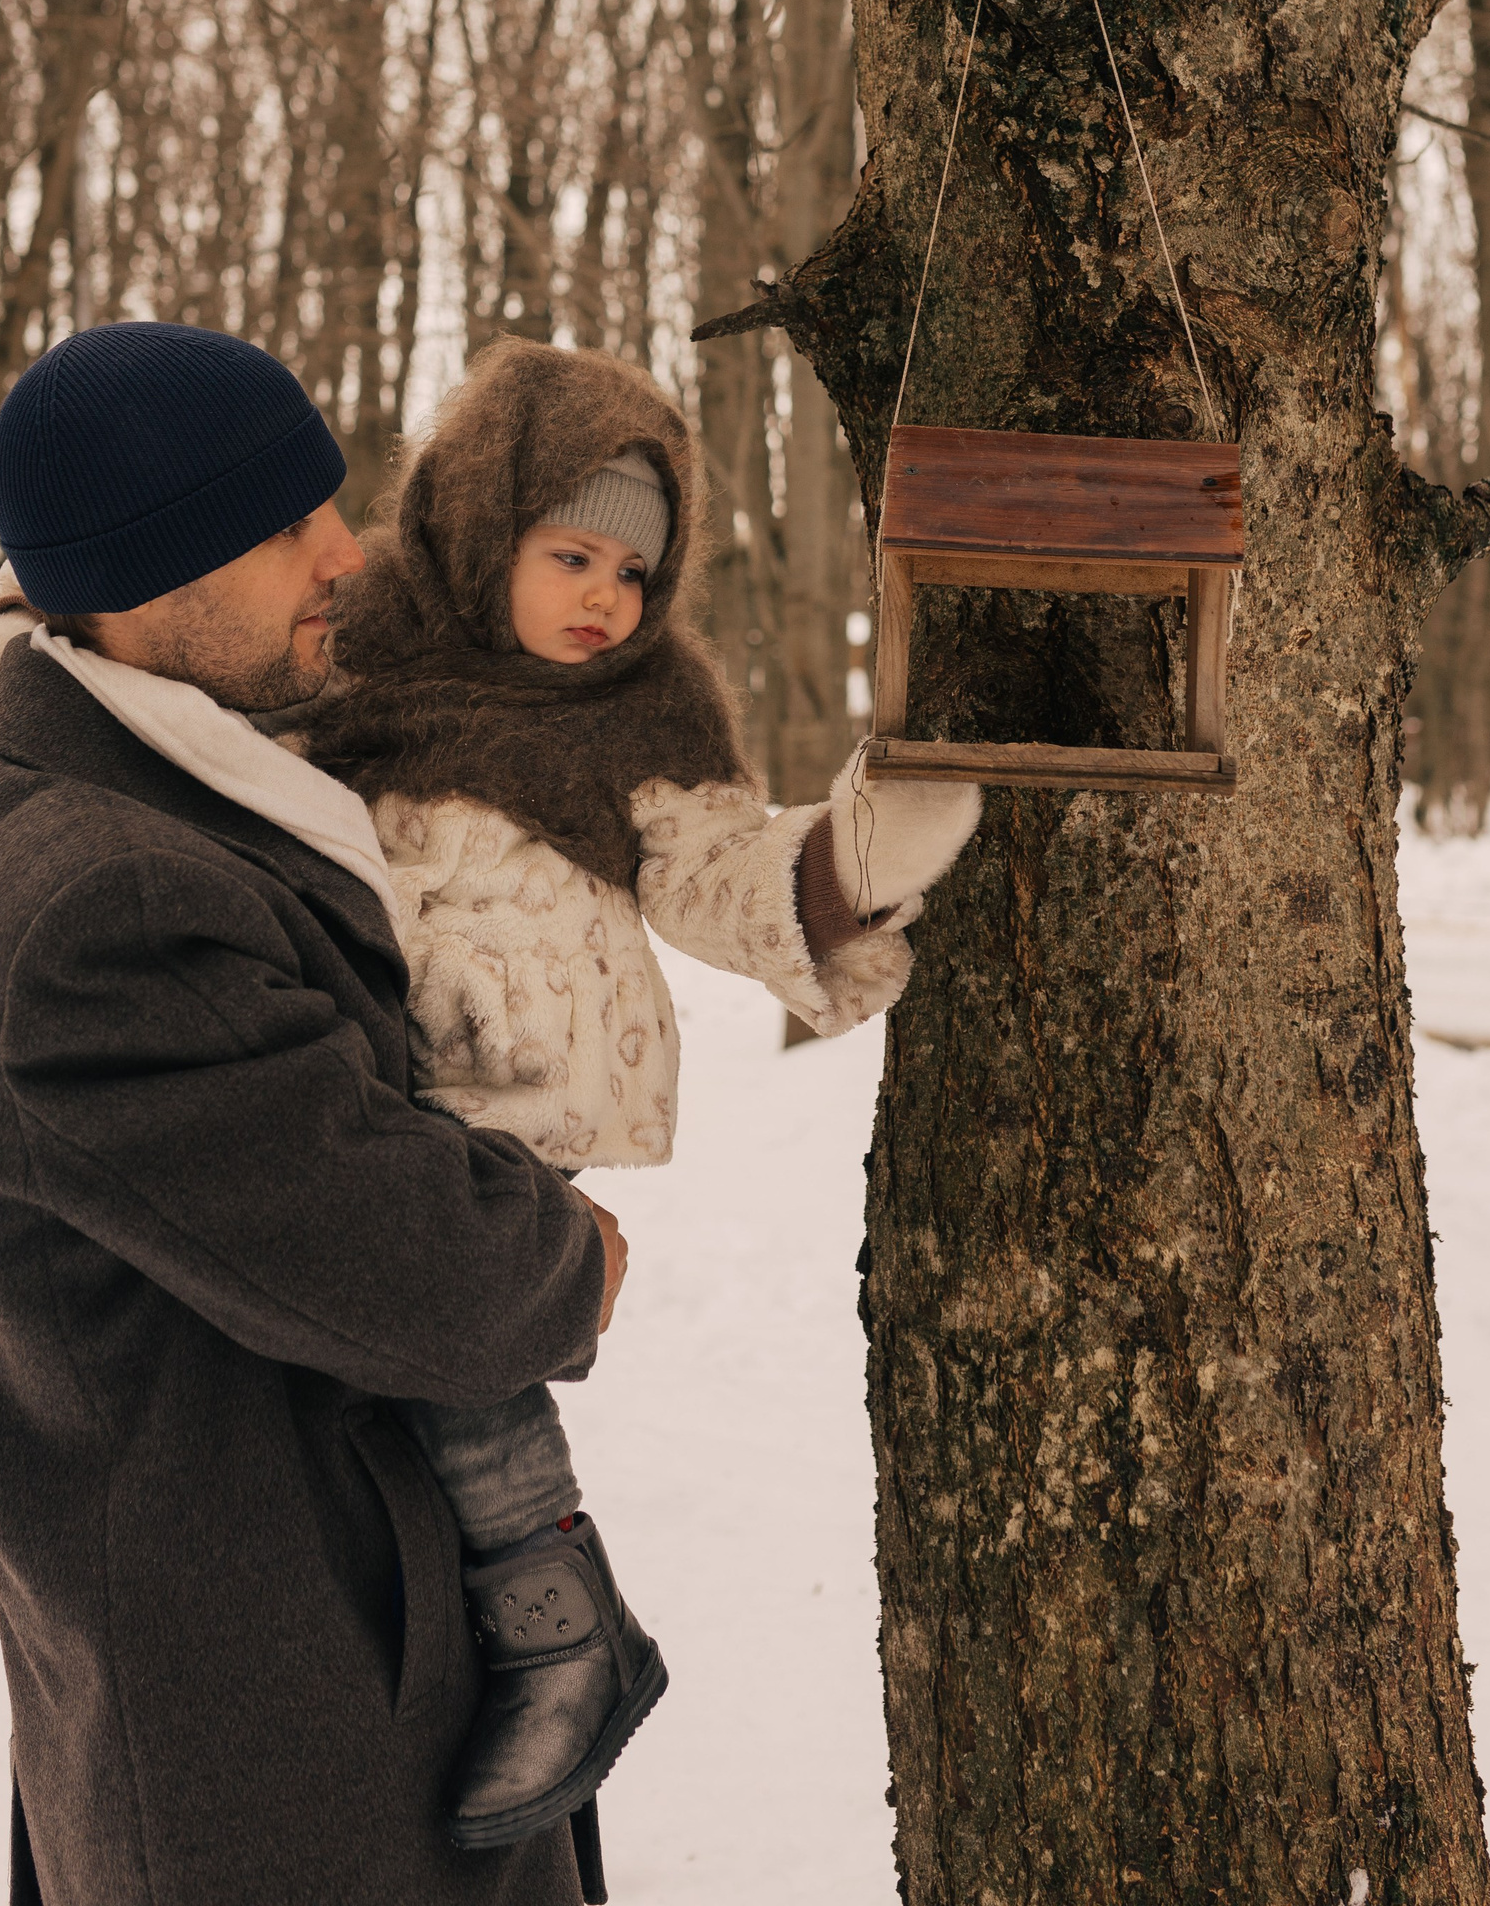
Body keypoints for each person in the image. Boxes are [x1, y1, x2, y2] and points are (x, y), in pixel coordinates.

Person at [0, 322, 619, 1906]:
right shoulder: (108, 900)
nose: (344, 554)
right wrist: (574, 1254)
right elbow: (424, 1271)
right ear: (146, 576)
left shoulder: (110, 796)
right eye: (288, 524)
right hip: (282, 1761)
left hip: (306, 1673)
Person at [293, 340, 982, 1849]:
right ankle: (133, 1514)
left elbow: (719, 871)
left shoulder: (646, 708)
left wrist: (854, 859)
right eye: (573, 555)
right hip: (353, 1078)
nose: (606, 597)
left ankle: (561, 1629)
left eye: (633, 572)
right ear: (481, 528)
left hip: (513, 1107)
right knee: (264, 1310)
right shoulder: (351, 652)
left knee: (466, 1375)